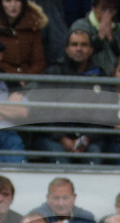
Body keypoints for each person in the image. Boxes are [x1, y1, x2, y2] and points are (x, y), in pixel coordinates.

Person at [35, 28, 107, 161]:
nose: (79, 49)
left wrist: (87, 138)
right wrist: (62, 138)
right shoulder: (53, 73)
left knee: (95, 156)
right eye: (74, 44)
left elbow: (104, 114)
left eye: (84, 45)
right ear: (67, 49)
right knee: (59, 158)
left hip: (90, 139)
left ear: (91, 50)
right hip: (54, 138)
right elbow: (42, 112)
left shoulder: (100, 75)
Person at [0, 0, 48, 76]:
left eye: (17, 1)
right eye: (8, 1)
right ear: (1, 3)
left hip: (29, 78)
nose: (13, 5)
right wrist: (12, 79)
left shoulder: (33, 24)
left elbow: (39, 61)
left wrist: (25, 78)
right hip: (1, 78)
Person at [28, 176, 102, 223]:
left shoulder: (84, 215)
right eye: (55, 198)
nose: (61, 203)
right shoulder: (37, 215)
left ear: (74, 198)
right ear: (48, 198)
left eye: (65, 198)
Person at [70, 0, 120, 75]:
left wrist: (112, 40)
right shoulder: (79, 27)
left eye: (111, 10)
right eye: (103, 9)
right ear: (94, 8)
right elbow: (76, 55)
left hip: (116, 80)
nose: (107, 14)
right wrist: (99, 38)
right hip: (88, 76)